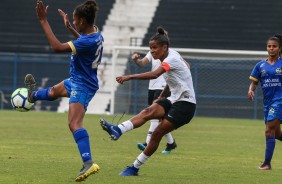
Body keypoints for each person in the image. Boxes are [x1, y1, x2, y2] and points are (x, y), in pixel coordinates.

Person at [100, 27, 196, 176]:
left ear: (165, 47)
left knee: (157, 133)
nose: (152, 51)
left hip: (186, 105)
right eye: (150, 48)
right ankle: (118, 130)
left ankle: (134, 167)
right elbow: (178, 75)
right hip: (173, 98)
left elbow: (155, 74)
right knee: (148, 111)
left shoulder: (171, 58)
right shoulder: (170, 56)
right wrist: (163, 96)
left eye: (155, 48)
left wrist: (129, 77)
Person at [24, 0, 103, 181]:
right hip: (77, 80)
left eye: (75, 21)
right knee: (52, 92)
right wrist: (70, 28)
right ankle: (32, 95)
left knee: (74, 124)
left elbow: (57, 47)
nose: (74, 22)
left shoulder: (88, 41)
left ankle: (88, 162)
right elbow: (83, 41)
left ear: (82, 21)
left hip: (83, 85)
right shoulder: (96, 33)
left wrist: (44, 21)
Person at [131, 52, 177, 154]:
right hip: (152, 86)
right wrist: (135, 60)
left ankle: (147, 143)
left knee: (154, 116)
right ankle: (171, 143)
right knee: (160, 119)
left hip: (163, 87)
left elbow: (186, 64)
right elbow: (142, 63)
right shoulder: (153, 51)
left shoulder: (172, 54)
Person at [248, 34, 282, 170]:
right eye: (269, 46)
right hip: (267, 103)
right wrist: (251, 90)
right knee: (277, 134)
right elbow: (253, 83)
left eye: (274, 46)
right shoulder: (260, 65)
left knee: (269, 130)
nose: (271, 48)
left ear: (280, 48)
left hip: (279, 101)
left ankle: (267, 163)